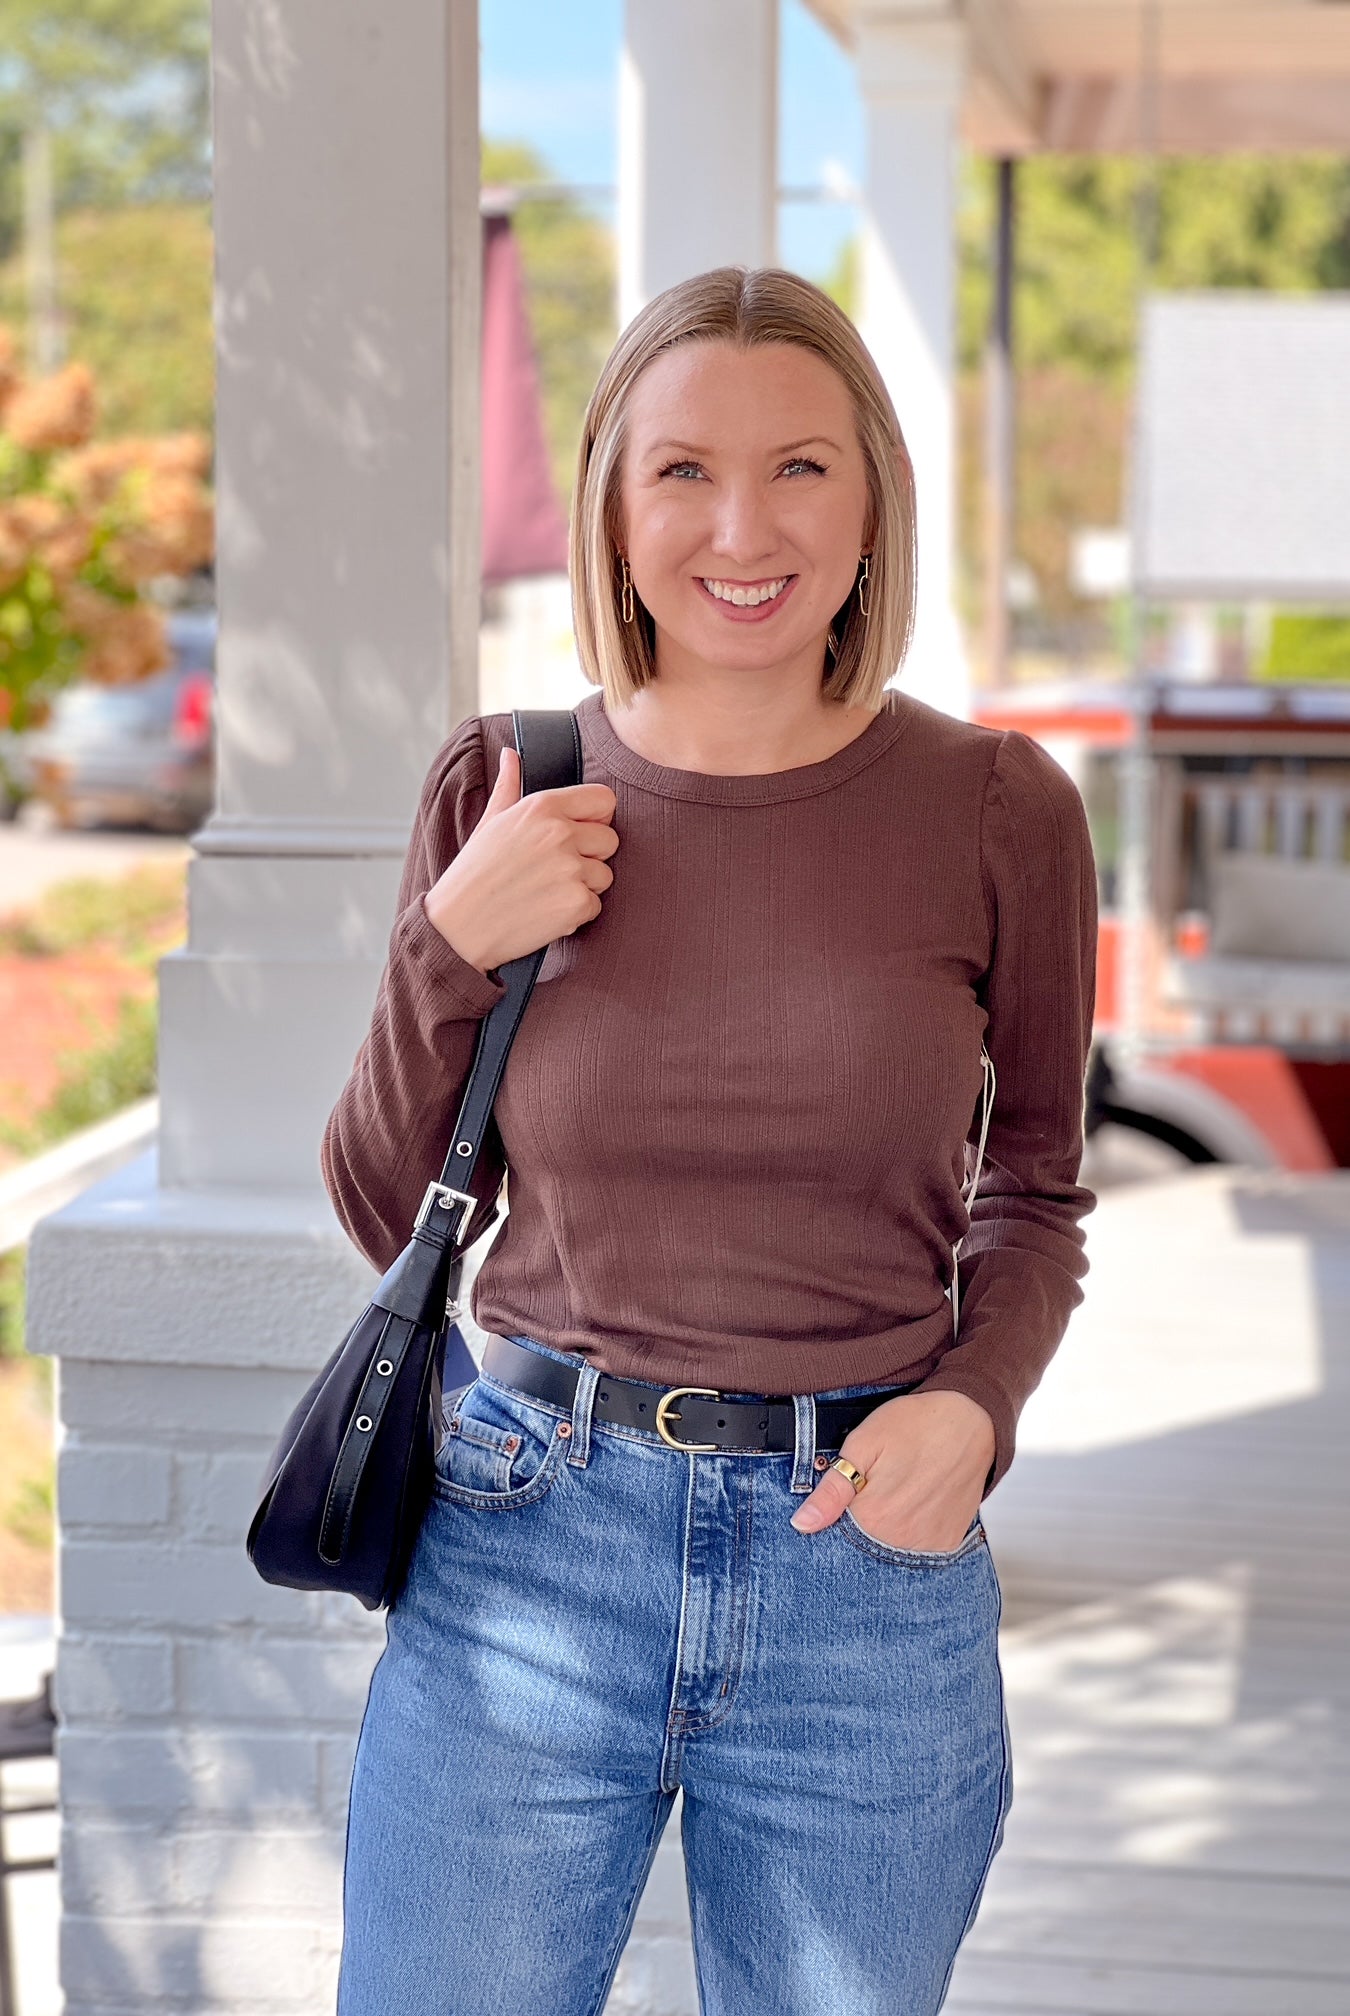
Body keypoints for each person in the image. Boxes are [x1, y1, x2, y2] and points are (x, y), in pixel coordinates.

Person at [324, 265, 1097, 2016]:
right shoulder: (503, 784)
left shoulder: (994, 810)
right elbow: (388, 1203)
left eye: (801, 467)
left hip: (863, 1563)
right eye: (680, 470)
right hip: (528, 1535)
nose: (741, 526)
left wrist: (970, 1415)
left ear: (872, 496)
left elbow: (1033, 1187)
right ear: (610, 500)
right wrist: (457, 940)